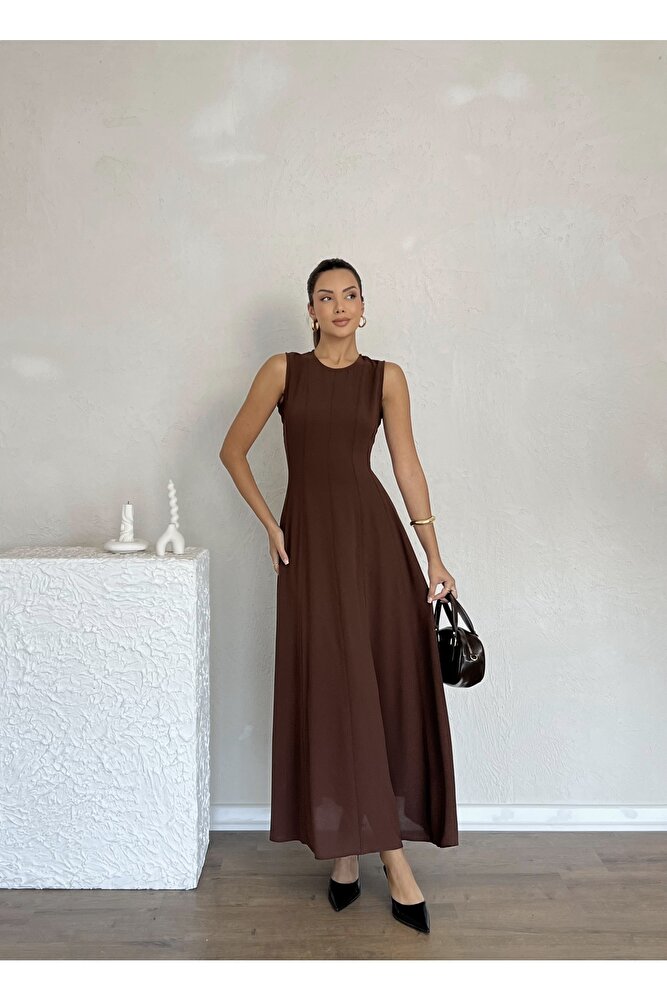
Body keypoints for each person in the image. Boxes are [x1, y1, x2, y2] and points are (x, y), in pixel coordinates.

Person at [220, 258, 459, 934]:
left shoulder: (386, 377)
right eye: (326, 297)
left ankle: (366, 858)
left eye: (350, 295)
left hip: (372, 544)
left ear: (363, 306)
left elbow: (406, 465)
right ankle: (370, 855)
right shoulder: (282, 371)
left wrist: (434, 553)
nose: (340, 306)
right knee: (335, 690)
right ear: (310, 311)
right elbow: (232, 449)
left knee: (373, 690)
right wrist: (271, 526)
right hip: (310, 549)